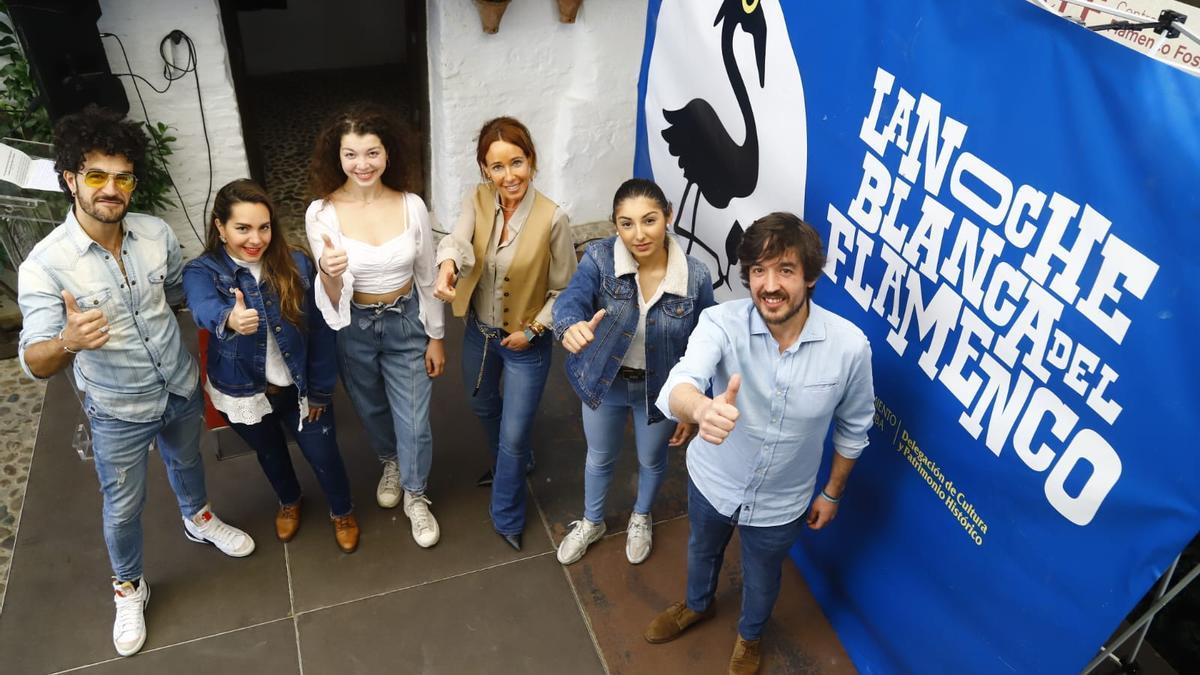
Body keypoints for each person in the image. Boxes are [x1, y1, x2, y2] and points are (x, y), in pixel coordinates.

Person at [16, 107, 255, 658]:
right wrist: (69, 342)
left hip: (177, 385)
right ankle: (129, 586)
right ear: (71, 179)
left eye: (122, 177)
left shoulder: (155, 233)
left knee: (188, 460)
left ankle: (198, 519)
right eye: (96, 175)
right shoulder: (45, 266)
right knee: (122, 506)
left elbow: (178, 292)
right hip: (118, 409)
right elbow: (34, 360)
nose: (111, 189)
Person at [643, 213, 875, 675]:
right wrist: (702, 410)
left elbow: (854, 428)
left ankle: (750, 636)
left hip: (781, 501)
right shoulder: (720, 322)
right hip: (713, 480)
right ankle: (697, 605)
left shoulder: (850, 348)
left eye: (785, 270)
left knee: (764, 575)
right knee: (701, 550)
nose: (769, 285)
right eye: (758, 271)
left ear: (810, 276)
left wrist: (832, 492)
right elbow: (678, 385)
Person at [183, 179, 359, 553]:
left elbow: (322, 328)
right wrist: (229, 317)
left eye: (263, 227)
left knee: (324, 452)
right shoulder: (202, 271)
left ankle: (342, 510)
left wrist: (321, 389)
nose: (255, 239)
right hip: (243, 390)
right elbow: (201, 306)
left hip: (300, 387)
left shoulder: (295, 262)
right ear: (220, 227)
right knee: (270, 454)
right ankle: (289, 500)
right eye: (242, 228)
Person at [551, 178, 714, 566]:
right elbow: (571, 300)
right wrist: (570, 324)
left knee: (651, 459)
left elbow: (707, 344)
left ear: (669, 217)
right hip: (605, 382)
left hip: (658, 390)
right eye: (626, 224)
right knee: (599, 456)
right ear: (615, 225)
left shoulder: (696, 276)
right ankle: (593, 522)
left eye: (649, 220)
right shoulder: (599, 258)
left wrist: (693, 403)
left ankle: (641, 516)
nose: (638, 234)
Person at [433, 117, 577, 551]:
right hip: (479, 332)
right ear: (484, 170)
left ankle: (507, 514)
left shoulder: (553, 218)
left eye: (517, 162)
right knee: (480, 403)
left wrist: (534, 330)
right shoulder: (476, 200)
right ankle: (515, 461)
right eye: (497, 167)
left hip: (524, 344)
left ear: (531, 161)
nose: (508, 176)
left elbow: (566, 290)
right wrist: (448, 266)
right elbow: (458, 240)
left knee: (514, 437)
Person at [305, 104, 445, 549]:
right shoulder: (321, 213)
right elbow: (329, 301)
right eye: (351, 154)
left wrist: (436, 336)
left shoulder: (411, 205)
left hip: (406, 321)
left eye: (372, 153)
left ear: (388, 154)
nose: (362, 164)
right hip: (353, 326)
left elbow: (425, 273)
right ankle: (391, 462)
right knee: (370, 408)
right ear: (337, 157)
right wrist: (327, 272)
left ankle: (417, 496)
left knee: (416, 420)